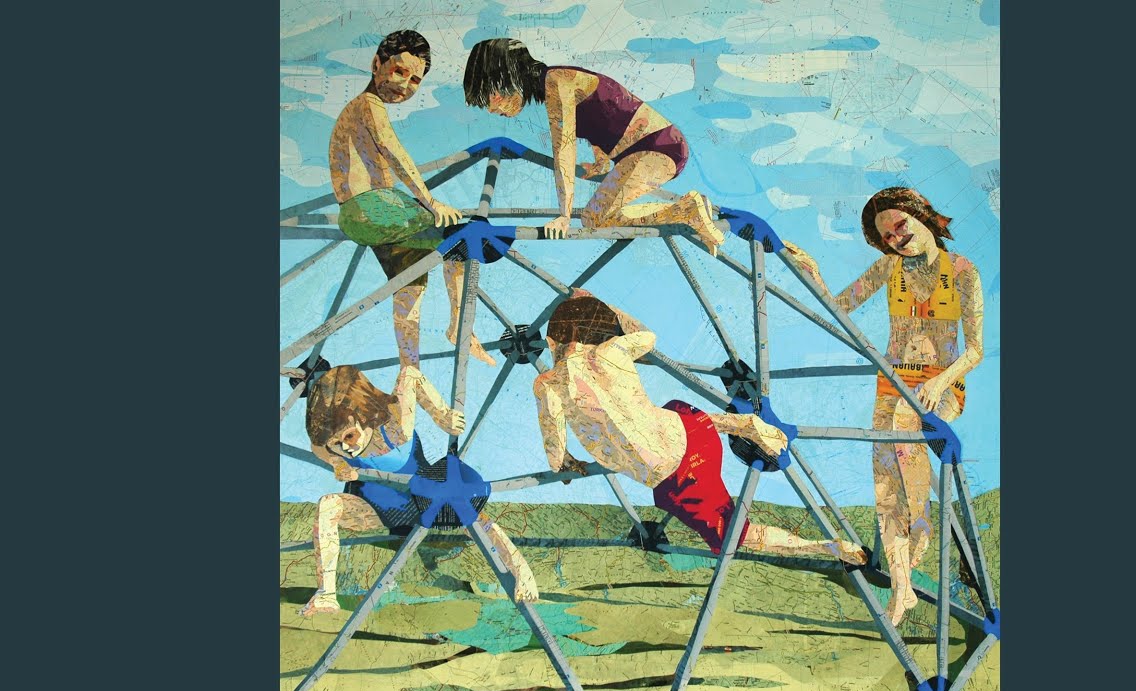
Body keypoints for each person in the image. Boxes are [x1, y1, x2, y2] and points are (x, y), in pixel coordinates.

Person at [531, 291, 867, 565]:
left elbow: (555, 454)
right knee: (668, 412)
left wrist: (566, 463)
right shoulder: (614, 349)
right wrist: (605, 304)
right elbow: (648, 337)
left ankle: (825, 547)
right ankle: (743, 424)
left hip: (675, 474)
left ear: (551, 340)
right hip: (694, 431)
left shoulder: (548, 383)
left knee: (736, 535)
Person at [793, 187, 985, 626]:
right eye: (888, 236)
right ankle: (901, 588)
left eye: (901, 225)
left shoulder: (961, 270)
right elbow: (840, 308)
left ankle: (922, 524)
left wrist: (939, 381)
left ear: (922, 215)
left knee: (904, 428)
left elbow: (975, 350)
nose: (897, 238)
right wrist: (812, 273)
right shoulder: (888, 267)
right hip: (892, 382)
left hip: (940, 385)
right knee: (884, 486)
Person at [300, 364, 537, 616]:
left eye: (349, 436)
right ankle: (326, 594)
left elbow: (410, 375)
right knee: (328, 505)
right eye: (337, 444)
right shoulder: (335, 446)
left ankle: (521, 571)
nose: (346, 448)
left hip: (423, 499)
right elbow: (318, 447)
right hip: (377, 509)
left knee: (474, 517)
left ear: (365, 413)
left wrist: (442, 415)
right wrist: (336, 462)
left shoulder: (395, 427)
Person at [329, 30, 496, 370]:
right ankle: (459, 326)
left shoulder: (358, 109)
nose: (405, 85)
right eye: (400, 72)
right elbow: (395, 152)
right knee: (467, 235)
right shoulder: (369, 105)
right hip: (373, 208)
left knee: (411, 283)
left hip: (368, 215)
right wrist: (431, 203)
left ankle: (410, 368)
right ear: (376, 64)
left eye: (415, 80)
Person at [462, 38, 725, 255]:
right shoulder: (560, 81)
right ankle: (686, 211)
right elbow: (603, 116)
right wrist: (600, 160)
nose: (491, 108)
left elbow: (564, 148)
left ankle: (687, 209)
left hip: (657, 148)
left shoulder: (557, 82)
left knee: (596, 218)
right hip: (650, 149)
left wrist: (564, 215)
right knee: (595, 217)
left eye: (491, 95)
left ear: (507, 78)